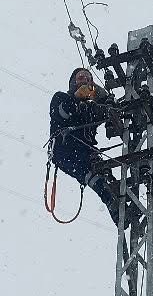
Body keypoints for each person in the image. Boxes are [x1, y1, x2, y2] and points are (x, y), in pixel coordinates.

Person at [49, 68, 133, 228]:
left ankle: (120, 211)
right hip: (65, 149)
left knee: (104, 178)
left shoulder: (90, 108)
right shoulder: (60, 97)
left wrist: (103, 95)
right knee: (94, 177)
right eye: (81, 78)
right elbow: (63, 113)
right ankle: (114, 205)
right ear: (73, 82)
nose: (85, 81)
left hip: (86, 152)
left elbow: (109, 111)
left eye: (88, 79)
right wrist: (76, 98)